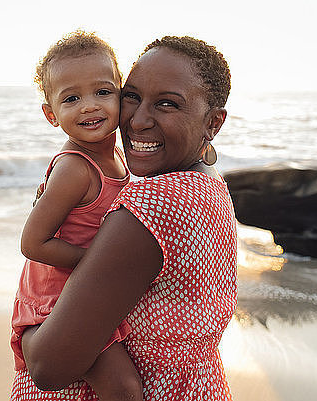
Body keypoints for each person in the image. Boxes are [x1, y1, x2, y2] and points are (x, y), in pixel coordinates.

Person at [13, 35, 238, 400]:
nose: (138, 119)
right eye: (131, 96)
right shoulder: (208, 186)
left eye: (167, 104)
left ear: (213, 123)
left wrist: (28, 334)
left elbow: (48, 367)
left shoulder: (150, 204)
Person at [10, 31, 142, 400]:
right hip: (55, 301)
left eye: (102, 92)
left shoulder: (118, 158)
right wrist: (96, 264)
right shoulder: (75, 168)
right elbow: (33, 242)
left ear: (122, 95)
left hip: (83, 291)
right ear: (51, 114)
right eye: (71, 98)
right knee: (123, 387)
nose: (89, 106)